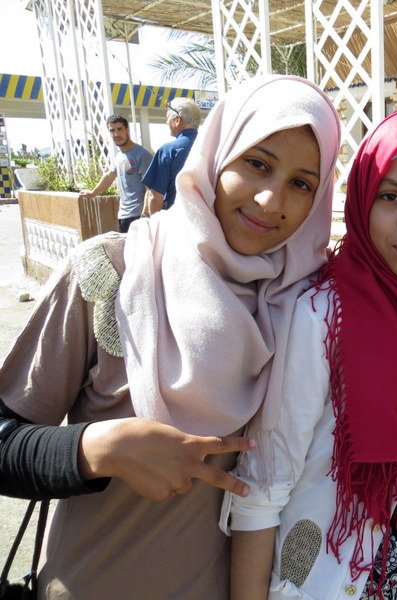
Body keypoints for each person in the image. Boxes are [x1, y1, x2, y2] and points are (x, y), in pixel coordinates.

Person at [0, 74, 341, 599]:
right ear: (217, 153)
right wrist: (98, 449)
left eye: (301, 184)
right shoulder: (112, 272)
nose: (271, 200)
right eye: (257, 163)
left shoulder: (304, 307)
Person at [222, 108, 397, 600]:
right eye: (391, 196)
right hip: (325, 586)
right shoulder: (324, 317)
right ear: (362, 198)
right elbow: (262, 489)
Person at [79, 114, 153, 233]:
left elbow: (150, 188)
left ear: (127, 130)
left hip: (139, 215)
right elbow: (109, 176)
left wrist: (145, 215)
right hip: (123, 215)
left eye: (119, 129)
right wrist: (93, 193)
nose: (116, 134)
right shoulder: (119, 156)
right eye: (112, 130)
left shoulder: (142, 155)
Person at [143, 97, 202, 214]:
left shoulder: (167, 151)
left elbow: (156, 197)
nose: (166, 122)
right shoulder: (213, 146)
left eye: (167, 118)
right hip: (211, 220)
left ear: (177, 120)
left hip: (177, 219)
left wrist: (154, 222)